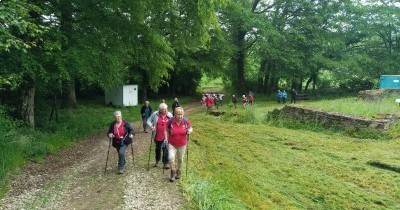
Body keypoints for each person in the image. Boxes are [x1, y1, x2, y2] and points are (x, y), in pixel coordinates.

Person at [165, 107, 193, 182]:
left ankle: (179, 171)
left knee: (180, 159)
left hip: (182, 144)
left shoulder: (186, 121)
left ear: (183, 114)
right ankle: (173, 172)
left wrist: (189, 131)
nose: (180, 116)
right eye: (178, 114)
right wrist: (166, 138)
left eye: (181, 114)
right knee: (171, 158)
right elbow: (166, 130)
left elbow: (190, 128)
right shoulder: (170, 121)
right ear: (174, 114)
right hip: (172, 144)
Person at [147, 103, 173, 169]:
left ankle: (166, 163)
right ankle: (157, 160)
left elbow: (173, 123)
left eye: (165, 109)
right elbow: (148, 121)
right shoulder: (155, 114)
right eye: (162, 109)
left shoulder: (169, 115)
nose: (164, 111)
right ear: (160, 109)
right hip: (157, 135)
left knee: (166, 149)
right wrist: (151, 126)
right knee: (158, 149)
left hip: (166, 136)